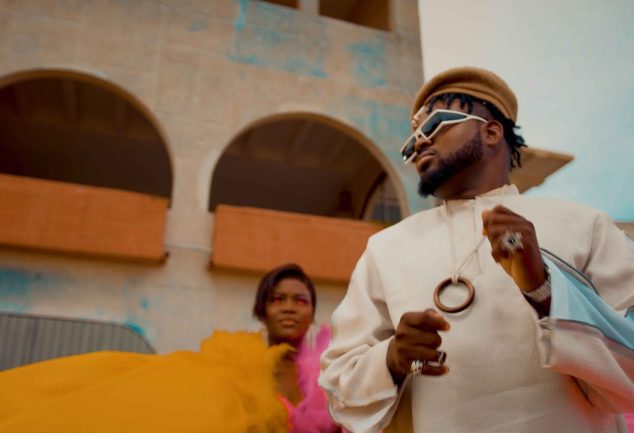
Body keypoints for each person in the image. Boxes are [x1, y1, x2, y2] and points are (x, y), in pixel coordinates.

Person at [319, 66, 634, 433]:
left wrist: (544, 290)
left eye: (435, 124)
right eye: (412, 138)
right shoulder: (385, 249)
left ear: (491, 131)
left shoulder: (584, 225)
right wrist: (391, 358)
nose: (419, 142)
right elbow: (339, 388)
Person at [0, 264, 340, 433]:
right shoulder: (231, 366)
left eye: (300, 300)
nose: (289, 308)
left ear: (312, 311)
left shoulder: (336, 374)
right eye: (277, 299)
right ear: (261, 310)